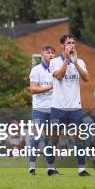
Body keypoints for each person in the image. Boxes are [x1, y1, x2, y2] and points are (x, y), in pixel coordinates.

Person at [48, 33, 90, 177]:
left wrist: (75, 62)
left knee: (79, 137)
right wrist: (67, 60)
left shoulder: (81, 62)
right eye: (68, 43)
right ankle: (50, 168)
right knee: (54, 138)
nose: (72, 45)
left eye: (73, 43)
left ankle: (81, 169)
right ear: (62, 45)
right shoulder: (54, 62)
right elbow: (59, 76)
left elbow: (86, 78)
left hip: (75, 108)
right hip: (58, 107)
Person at [28, 45, 55, 175]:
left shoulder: (57, 70)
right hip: (39, 109)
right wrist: (50, 87)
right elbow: (33, 90)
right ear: (42, 54)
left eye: (52, 53)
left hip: (54, 110)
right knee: (36, 137)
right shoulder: (36, 70)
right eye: (48, 52)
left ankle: (50, 168)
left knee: (51, 139)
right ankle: (32, 167)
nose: (50, 54)